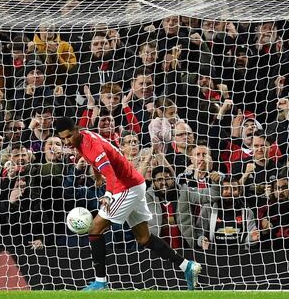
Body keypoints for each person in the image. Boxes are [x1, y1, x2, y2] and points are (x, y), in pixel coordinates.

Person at [54, 116, 201, 291]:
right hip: (134, 184)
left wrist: (108, 195)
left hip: (126, 187)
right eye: (63, 138)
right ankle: (187, 266)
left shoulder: (92, 146)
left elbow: (111, 175)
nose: (67, 141)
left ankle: (100, 282)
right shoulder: (83, 137)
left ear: (77, 129)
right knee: (144, 238)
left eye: (69, 136)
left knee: (94, 229)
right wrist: (98, 176)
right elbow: (95, 162)